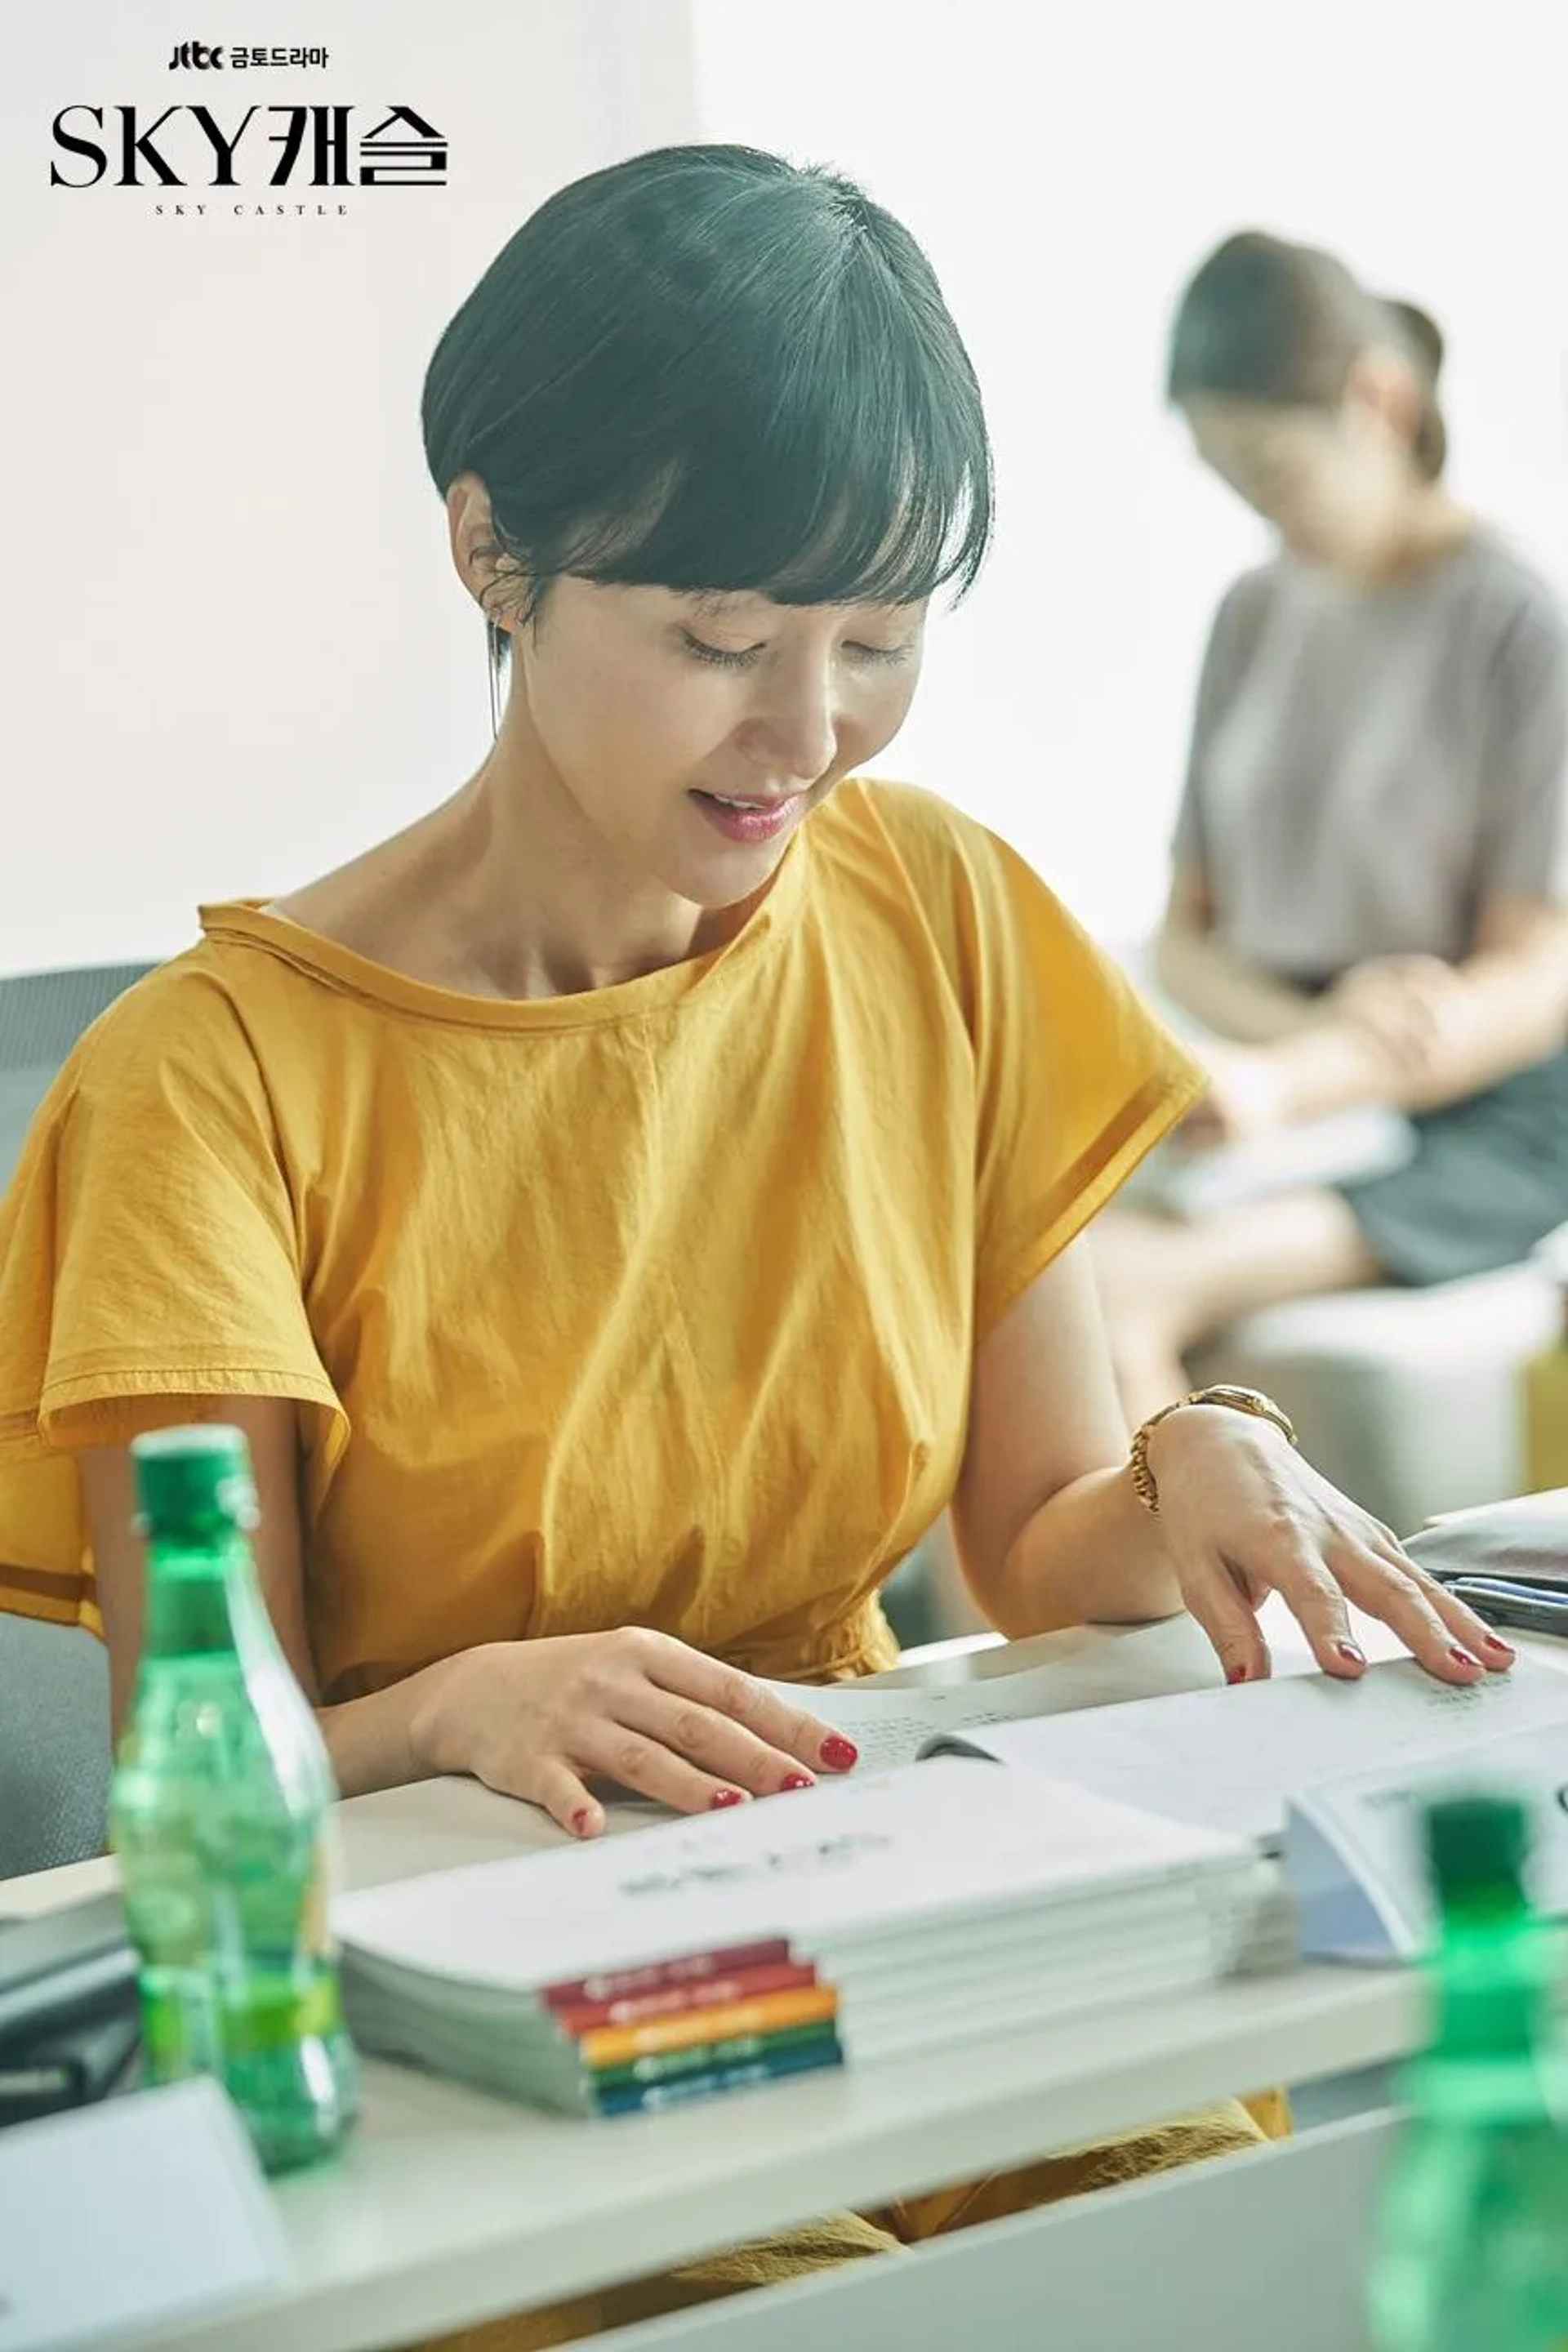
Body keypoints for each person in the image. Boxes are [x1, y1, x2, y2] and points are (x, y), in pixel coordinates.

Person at [0, 153, 1512, 2348]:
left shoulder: (942, 916)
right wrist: (454, 1706)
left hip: (905, 1893)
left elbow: (1031, 1536)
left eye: (877, 643)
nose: (808, 734)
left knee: (1228, 2260)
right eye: (721, 641)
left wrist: (1193, 1458)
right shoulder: (210, 1084)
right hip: (471, 2004)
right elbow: (196, 1774)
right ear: (491, 550)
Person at [1094, 230, 1568, 1423]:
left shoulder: (1518, 625)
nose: (1259, 509)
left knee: (1110, 1297)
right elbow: (1189, 935)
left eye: (1272, 470)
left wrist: (1306, 1079)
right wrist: (1296, 1052)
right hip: (1281, 1063)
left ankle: (1181, 1606)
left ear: (1381, 402)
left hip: (1471, 1106)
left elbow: (1534, 982)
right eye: (1228, 476)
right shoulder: (1251, 613)